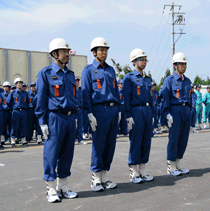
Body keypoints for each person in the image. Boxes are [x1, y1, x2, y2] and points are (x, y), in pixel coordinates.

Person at [35, 38, 78, 203]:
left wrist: (75, 116)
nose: (67, 55)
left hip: (69, 117)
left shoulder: (71, 74)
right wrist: (42, 122)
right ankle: (51, 188)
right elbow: (41, 100)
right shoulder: (45, 73)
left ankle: (63, 185)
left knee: (67, 153)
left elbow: (74, 97)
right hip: (54, 117)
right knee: (51, 154)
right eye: (64, 52)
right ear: (55, 54)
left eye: (68, 52)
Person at [81, 37, 121, 191]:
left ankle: (105, 176)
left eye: (105, 50)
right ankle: (96, 178)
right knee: (99, 144)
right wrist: (90, 114)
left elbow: (116, 91)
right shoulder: (89, 70)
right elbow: (85, 94)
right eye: (101, 50)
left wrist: (118, 110)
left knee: (110, 144)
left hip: (112, 109)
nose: (104, 53)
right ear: (94, 52)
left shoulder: (111, 70)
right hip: (99, 110)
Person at [123, 48, 155, 183]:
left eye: (144, 59)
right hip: (136, 111)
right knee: (136, 141)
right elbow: (126, 98)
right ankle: (134, 171)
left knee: (146, 141)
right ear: (134, 61)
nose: (144, 62)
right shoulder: (129, 78)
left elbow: (152, 98)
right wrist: (128, 115)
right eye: (141, 60)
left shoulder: (148, 79)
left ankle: (142, 170)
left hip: (147, 111)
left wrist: (153, 113)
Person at [162, 52, 191, 176]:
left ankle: (178, 163)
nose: (183, 66)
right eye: (181, 64)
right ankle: (171, 165)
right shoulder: (169, 80)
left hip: (186, 110)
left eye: (185, 64)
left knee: (183, 138)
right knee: (173, 138)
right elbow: (165, 98)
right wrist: (167, 113)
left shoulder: (188, 81)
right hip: (175, 110)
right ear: (175, 66)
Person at [6, 78, 29, 146]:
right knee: (15, 125)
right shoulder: (12, 93)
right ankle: (13, 138)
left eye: (21, 83)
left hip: (23, 111)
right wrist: (13, 107)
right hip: (16, 111)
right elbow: (8, 102)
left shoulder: (25, 93)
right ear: (15, 85)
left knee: (24, 125)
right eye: (18, 83)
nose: (20, 85)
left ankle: (23, 139)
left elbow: (27, 102)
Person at [75, 77, 87, 145]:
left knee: (80, 125)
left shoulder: (81, 90)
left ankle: (80, 139)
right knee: (73, 126)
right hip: (74, 110)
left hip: (80, 110)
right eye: (75, 81)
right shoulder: (71, 90)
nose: (77, 83)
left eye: (77, 82)